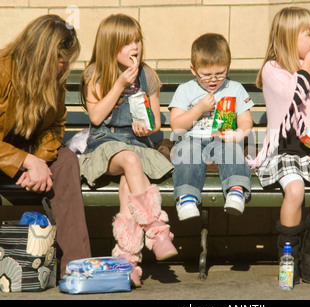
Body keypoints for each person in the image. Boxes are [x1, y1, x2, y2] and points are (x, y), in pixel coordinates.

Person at [247, 7, 310, 284]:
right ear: (290, 39)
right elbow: (293, 99)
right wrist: (305, 67)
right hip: (285, 149)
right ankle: (290, 254)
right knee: (295, 189)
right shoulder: (272, 70)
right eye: (309, 33)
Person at [78, 14, 177, 287]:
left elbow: (156, 121)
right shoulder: (95, 74)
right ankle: (157, 230)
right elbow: (96, 117)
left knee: (128, 183)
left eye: (137, 41)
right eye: (126, 43)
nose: (135, 47)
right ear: (110, 47)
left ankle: (127, 262)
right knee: (130, 161)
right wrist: (120, 84)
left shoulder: (147, 75)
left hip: (136, 145)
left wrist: (148, 128)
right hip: (106, 146)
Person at [0, 15, 91, 275]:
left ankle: (75, 268)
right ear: (41, 54)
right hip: (7, 154)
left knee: (65, 162)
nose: (64, 68)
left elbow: (54, 126)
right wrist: (27, 161)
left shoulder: (54, 80)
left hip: (26, 153)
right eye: (61, 62)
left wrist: (39, 161)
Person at [169, 33, 254, 220]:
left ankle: (236, 191)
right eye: (206, 75)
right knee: (187, 152)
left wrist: (239, 133)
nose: (213, 80)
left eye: (220, 73)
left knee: (232, 150)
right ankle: (187, 198)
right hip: (193, 138)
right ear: (193, 70)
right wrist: (199, 108)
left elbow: (246, 120)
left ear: (228, 67)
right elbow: (176, 126)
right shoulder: (186, 90)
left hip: (223, 137)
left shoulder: (235, 88)